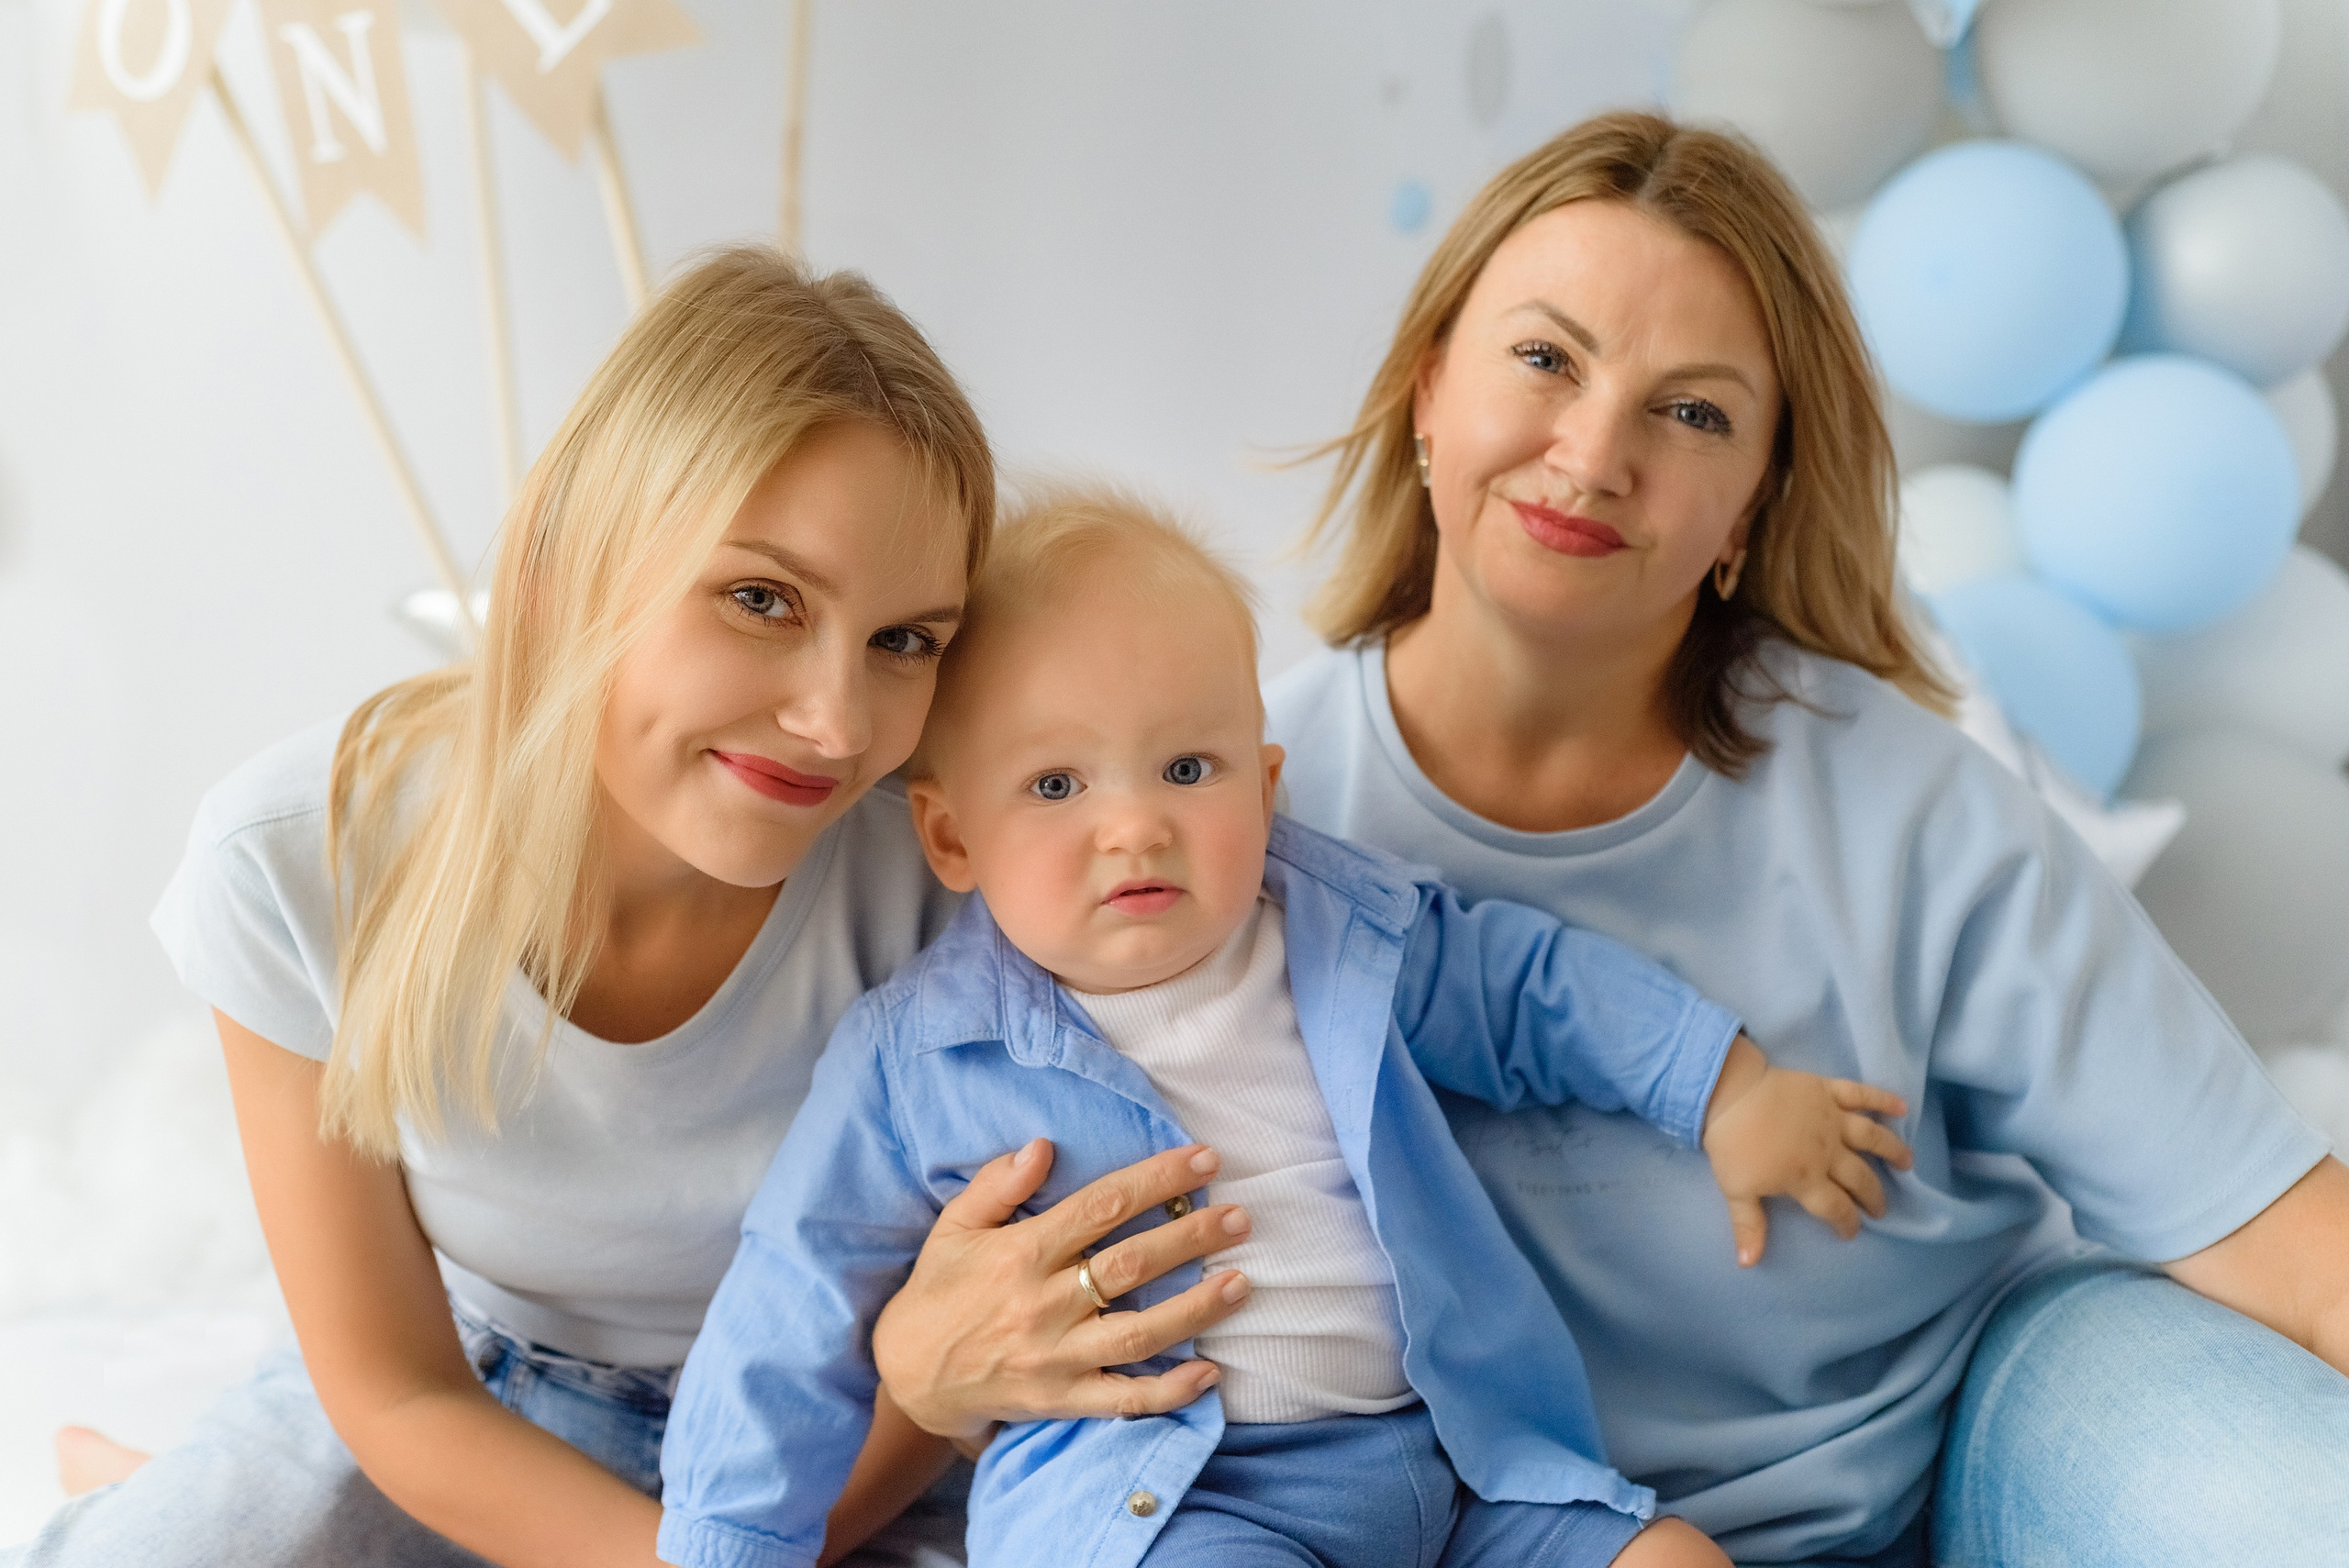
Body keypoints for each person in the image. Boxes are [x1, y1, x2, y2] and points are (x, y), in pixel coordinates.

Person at [7, 250, 1258, 1568]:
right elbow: (396, 1387)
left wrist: (815, 1485)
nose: (835, 722)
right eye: (761, 599)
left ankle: (136, 1474)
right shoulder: (296, 861)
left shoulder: (950, 867)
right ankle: (133, 1494)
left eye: (906, 639)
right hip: (475, 1413)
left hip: (841, 1438)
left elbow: (946, 1360)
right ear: (564, 565)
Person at [1264, 110, 2349, 1564]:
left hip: (1969, 1443)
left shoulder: (1908, 805)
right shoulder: (1240, 817)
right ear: (1426, 391)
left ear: (1751, 507)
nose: (1592, 456)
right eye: (1544, 360)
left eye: (1693, 412)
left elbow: (2276, 1223)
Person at [655, 488, 1916, 1568]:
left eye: (1188, 769)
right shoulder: (919, 1056)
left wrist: (1725, 1085)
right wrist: (724, 1547)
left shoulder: (1346, 926)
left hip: (1459, 1464)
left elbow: (1530, 991)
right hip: (1170, 1503)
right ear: (949, 836)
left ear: (1266, 785)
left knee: (1673, 1559)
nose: (1135, 826)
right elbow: (789, 1302)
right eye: (1055, 784)